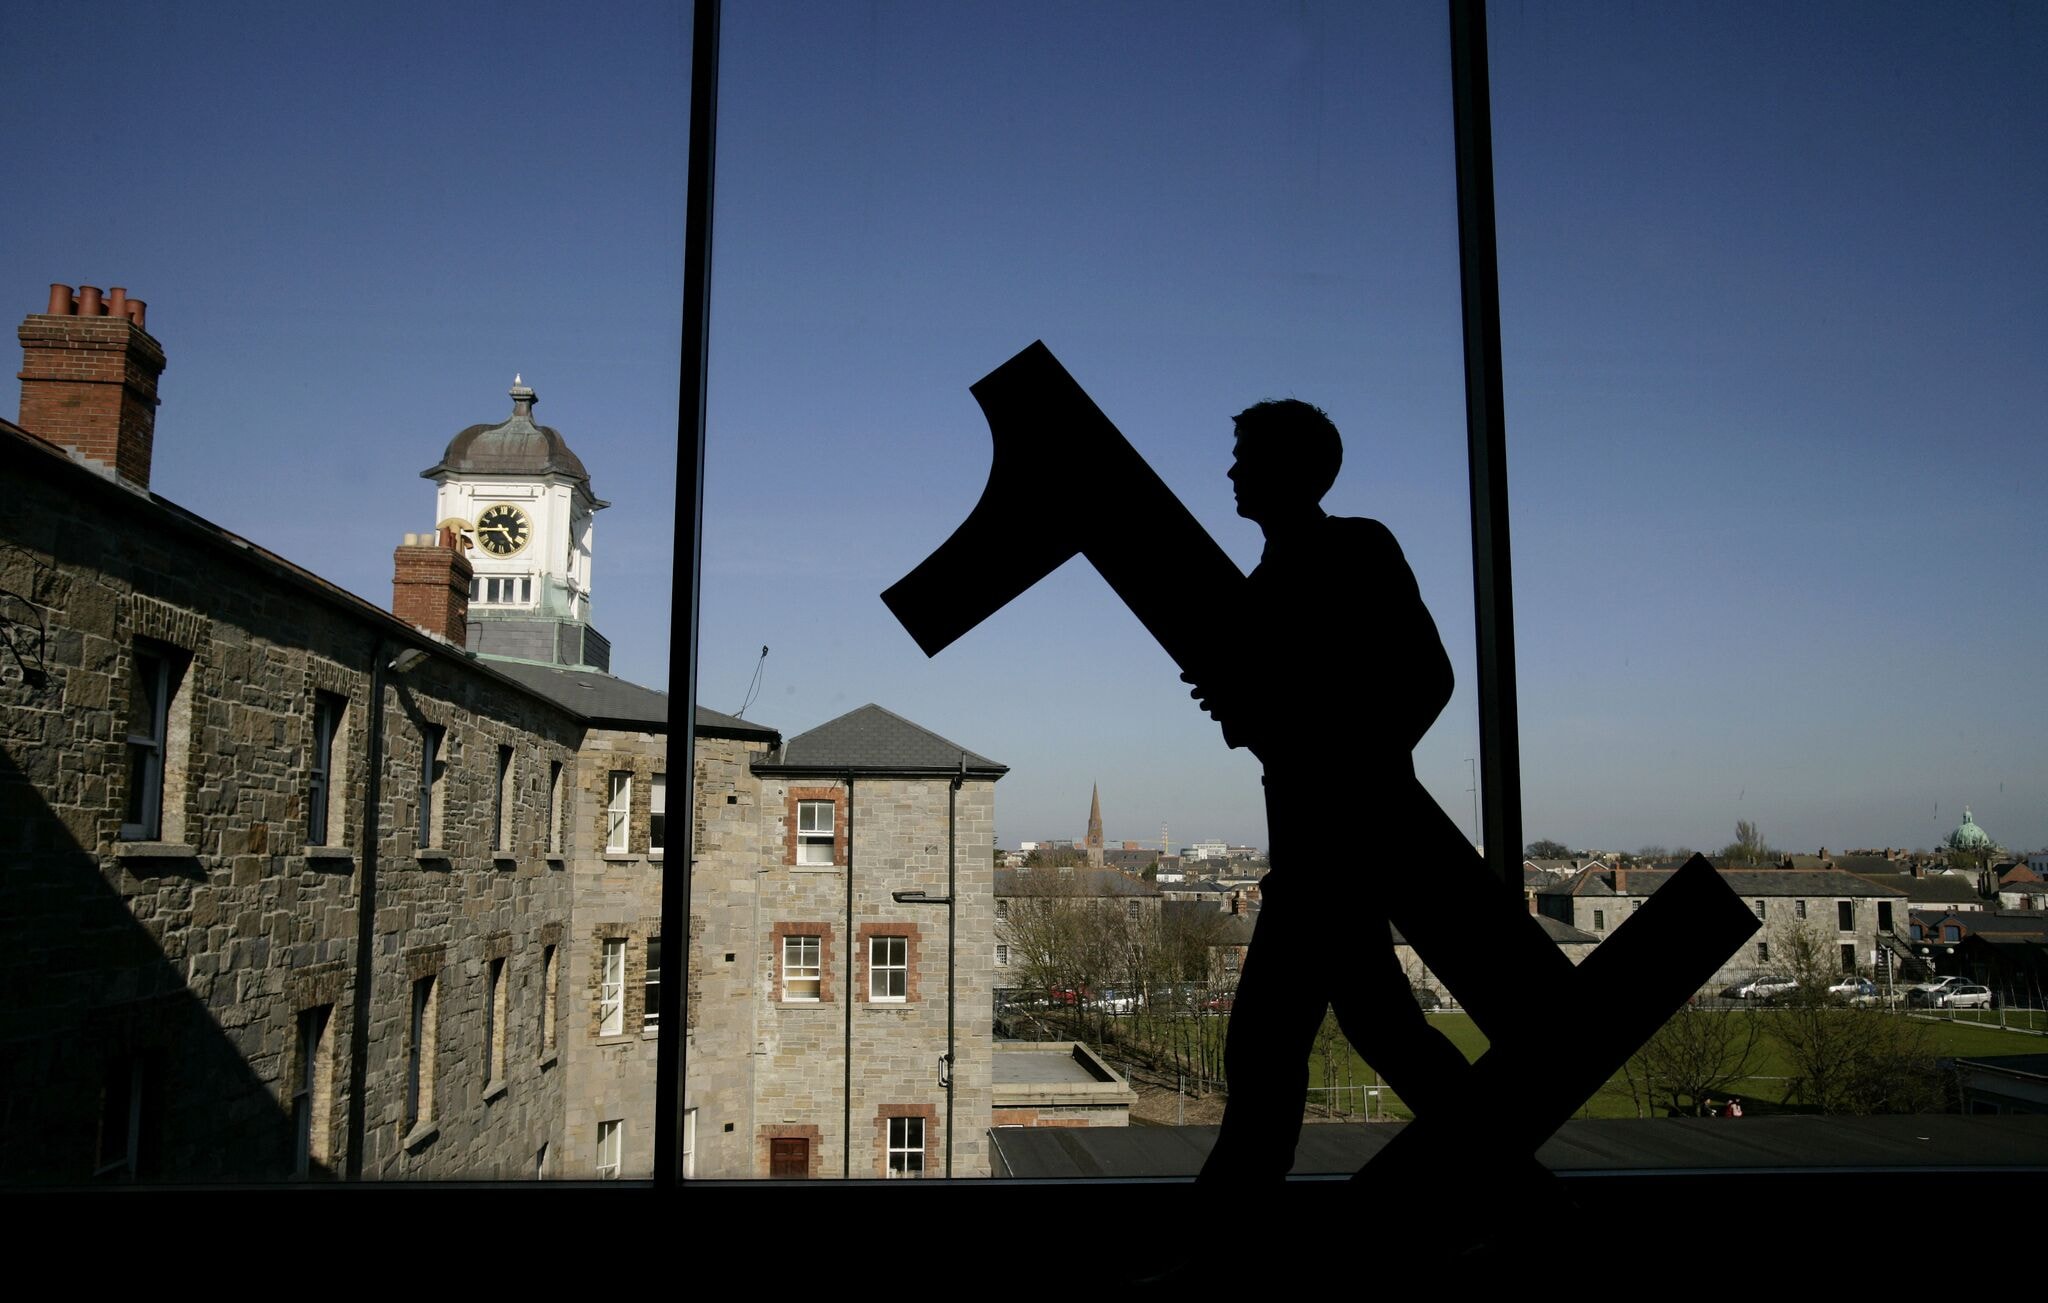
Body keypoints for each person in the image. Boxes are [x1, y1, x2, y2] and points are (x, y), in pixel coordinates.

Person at [1188, 399, 1473, 1184]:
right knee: (1378, 1033)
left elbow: (1426, 679)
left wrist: (1328, 750)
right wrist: (1249, 708)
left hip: (1333, 849)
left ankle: (1222, 1247)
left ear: (1292, 469)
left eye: (1246, 455)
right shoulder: (1276, 576)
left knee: (1269, 1049)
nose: (1233, 470)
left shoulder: (1354, 548)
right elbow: (1281, 718)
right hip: (1326, 848)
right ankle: (1514, 1194)